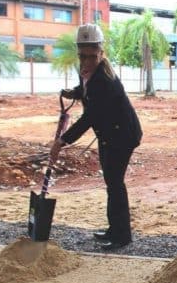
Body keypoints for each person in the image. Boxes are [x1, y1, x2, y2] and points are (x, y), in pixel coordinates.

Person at [50, 24, 142, 250]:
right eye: (82, 56)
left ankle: (122, 236)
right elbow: (87, 88)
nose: (86, 61)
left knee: (115, 184)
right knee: (111, 183)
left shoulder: (104, 80)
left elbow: (89, 117)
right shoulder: (90, 73)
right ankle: (115, 229)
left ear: (101, 54)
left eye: (92, 56)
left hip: (122, 136)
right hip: (109, 134)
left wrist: (62, 141)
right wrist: (76, 92)